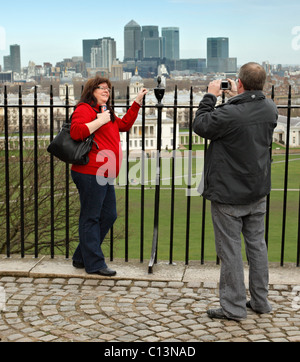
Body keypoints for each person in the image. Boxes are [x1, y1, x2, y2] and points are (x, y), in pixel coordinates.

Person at [193, 62, 278, 321]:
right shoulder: (270, 108)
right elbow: (247, 115)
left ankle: (233, 307)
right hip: (257, 189)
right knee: (257, 247)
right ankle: (261, 301)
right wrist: (238, 99)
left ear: (239, 83)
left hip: (229, 192)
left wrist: (210, 95)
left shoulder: (231, 114)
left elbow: (201, 125)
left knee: (230, 251)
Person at [70, 76, 147, 276]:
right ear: (91, 90)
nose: (106, 91)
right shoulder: (84, 109)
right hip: (89, 171)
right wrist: (98, 121)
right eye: (101, 88)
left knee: (109, 215)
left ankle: (81, 257)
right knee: (91, 217)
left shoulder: (106, 111)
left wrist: (136, 103)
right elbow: (76, 132)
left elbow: (124, 125)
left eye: (108, 88)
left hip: (104, 172)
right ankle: (94, 264)